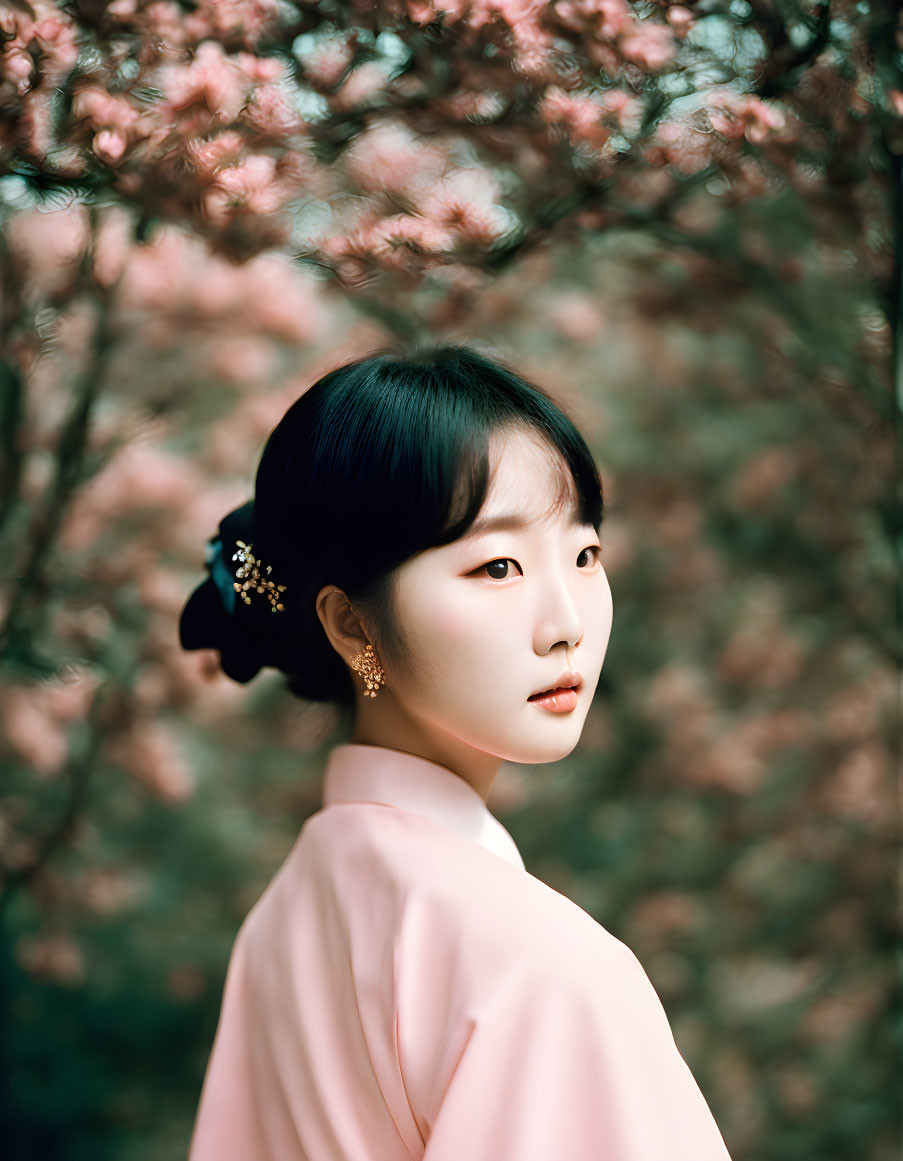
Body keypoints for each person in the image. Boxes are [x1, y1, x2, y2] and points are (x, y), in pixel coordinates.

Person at [178, 342, 733, 1161]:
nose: (566, 622)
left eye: (583, 555)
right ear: (352, 625)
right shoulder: (542, 970)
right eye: (498, 565)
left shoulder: (285, 917)